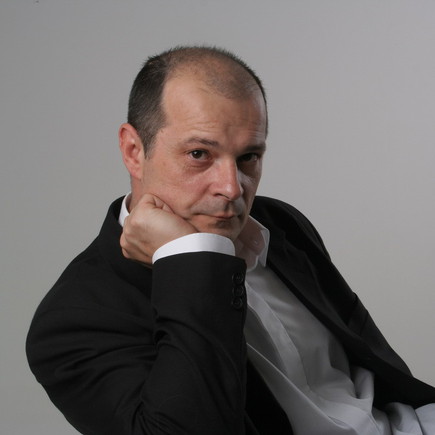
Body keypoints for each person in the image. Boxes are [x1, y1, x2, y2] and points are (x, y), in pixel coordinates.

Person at [26, 46, 435, 435]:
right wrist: (190, 259)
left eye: (248, 157)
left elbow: (375, 373)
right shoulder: (74, 322)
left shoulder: (281, 224)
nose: (232, 188)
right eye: (199, 154)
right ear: (134, 150)